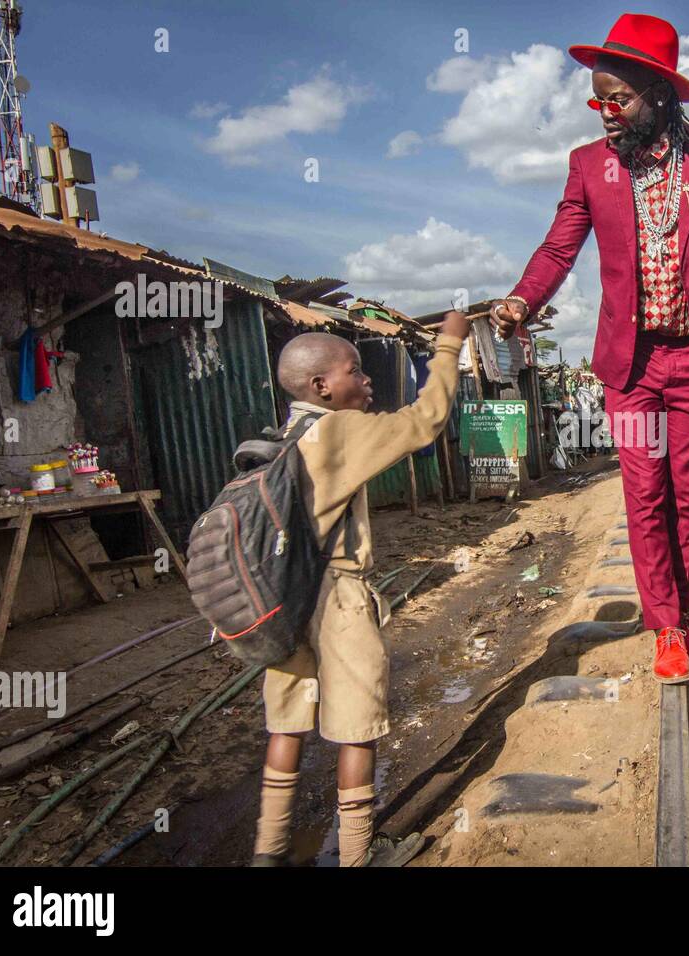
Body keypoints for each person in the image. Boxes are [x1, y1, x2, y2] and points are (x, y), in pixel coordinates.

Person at [487, 13, 689, 684]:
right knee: (644, 492)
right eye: (597, 99)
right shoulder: (589, 167)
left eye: (619, 97)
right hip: (632, 366)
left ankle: (682, 608)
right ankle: (668, 626)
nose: (606, 111)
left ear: (660, 94)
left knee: (682, 492)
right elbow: (560, 245)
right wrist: (523, 299)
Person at [251, 312, 470, 867]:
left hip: (280, 595)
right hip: (336, 597)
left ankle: (268, 852)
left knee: (288, 720)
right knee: (356, 725)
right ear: (323, 386)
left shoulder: (280, 438)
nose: (367, 379)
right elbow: (425, 420)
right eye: (356, 370)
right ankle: (358, 855)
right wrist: (449, 347)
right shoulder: (339, 430)